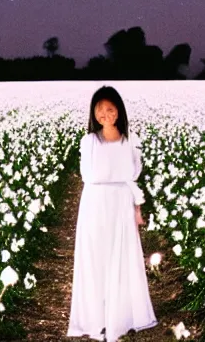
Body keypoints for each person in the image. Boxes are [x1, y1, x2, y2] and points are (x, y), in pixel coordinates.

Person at [66, 86, 158, 342]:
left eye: (110, 109)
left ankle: (122, 315)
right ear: (94, 114)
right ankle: (97, 316)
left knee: (122, 256)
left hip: (121, 202)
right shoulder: (89, 141)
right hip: (95, 202)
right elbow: (88, 177)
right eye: (100, 111)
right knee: (96, 257)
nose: (105, 115)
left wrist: (137, 209)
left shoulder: (130, 140)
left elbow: (132, 177)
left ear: (119, 111)